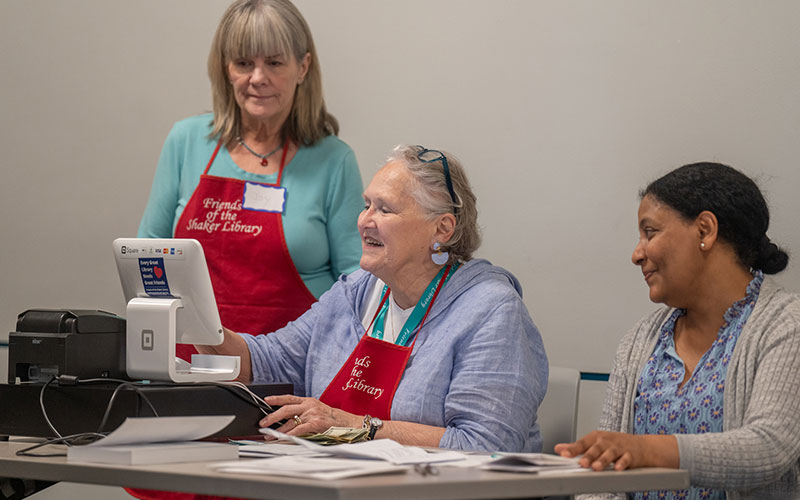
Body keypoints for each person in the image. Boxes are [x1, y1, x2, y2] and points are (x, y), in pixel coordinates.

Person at [204, 144, 548, 452]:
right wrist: (198, 320)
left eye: (385, 209)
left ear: (442, 229)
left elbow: (486, 445)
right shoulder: (356, 291)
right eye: (366, 205)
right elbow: (265, 362)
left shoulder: (490, 310)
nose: (365, 221)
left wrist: (353, 425)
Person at [556, 163, 800, 499]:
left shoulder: (786, 324)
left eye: (650, 232)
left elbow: (769, 446)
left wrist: (647, 451)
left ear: (704, 230)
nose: (636, 254)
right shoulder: (637, 343)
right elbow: (603, 478)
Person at [137, 0, 363, 361]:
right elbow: (146, 255)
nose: (258, 78)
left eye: (274, 62)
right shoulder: (186, 141)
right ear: (226, 69)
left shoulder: (334, 161)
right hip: (185, 368)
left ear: (303, 66)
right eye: (244, 63)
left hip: (292, 374)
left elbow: (357, 285)